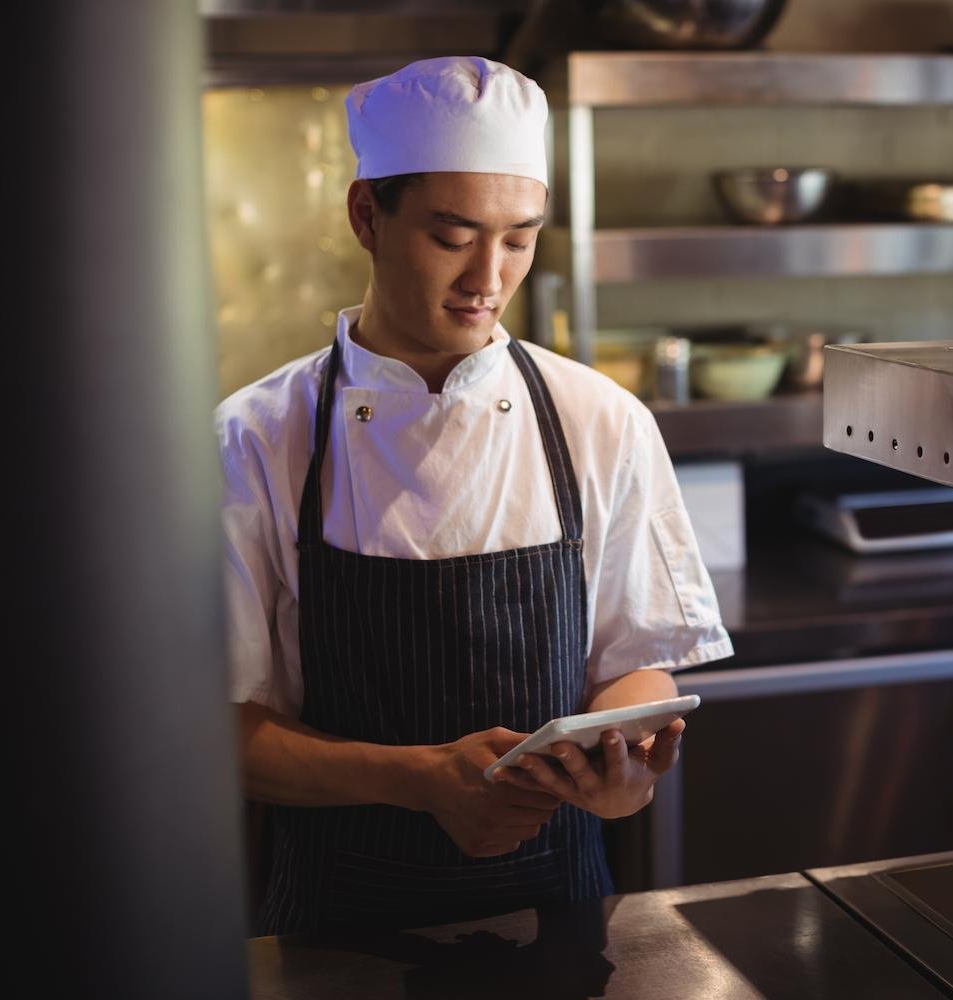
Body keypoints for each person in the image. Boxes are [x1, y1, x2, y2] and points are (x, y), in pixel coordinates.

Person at [215, 56, 733, 935]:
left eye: (519, 239)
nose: (487, 279)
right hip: (336, 931)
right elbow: (220, 730)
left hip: (559, 918)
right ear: (366, 215)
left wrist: (623, 765)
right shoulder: (258, 436)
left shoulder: (598, 419)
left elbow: (634, 661)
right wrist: (418, 780)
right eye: (452, 236)